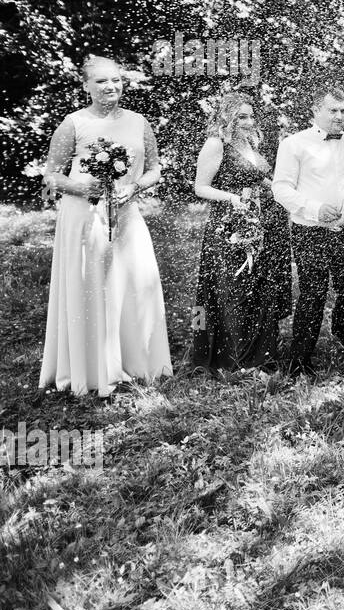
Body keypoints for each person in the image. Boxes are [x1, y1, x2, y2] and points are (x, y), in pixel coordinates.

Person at [39, 55, 172, 397]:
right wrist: (82, 188)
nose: (111, 86)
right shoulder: (73, 123)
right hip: (84, 216)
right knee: (91, 286)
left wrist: (135, 186)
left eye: (116, 79)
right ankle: (92, 368)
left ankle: (137, 362)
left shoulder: (139, 122)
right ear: (86, 86)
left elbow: (155, 169)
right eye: (101, 81)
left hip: (127, 213)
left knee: (134, 281)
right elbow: (52, 174)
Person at [272, 86, 344, 377]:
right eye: (333, 110)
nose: (339, 116)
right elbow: (280, 188)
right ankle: (300, 361)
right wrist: (313, 208)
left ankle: (343, 329)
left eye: (343, 110)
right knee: (313, 293)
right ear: (315, 111)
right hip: (310, 231)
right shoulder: (294, 144)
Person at [190, 92, 292, 372]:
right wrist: (233, 198)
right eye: (241, 116)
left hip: (262, 220)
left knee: (258, 285)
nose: (248, 121)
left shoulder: (249, 143)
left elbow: (262, 179)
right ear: (227, 118)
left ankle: (261, 355)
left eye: (250, 115)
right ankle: (233, 357)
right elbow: (200, 187)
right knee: (233, 286)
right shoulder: (216, 144)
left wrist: (291, 196)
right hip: (231, 224)